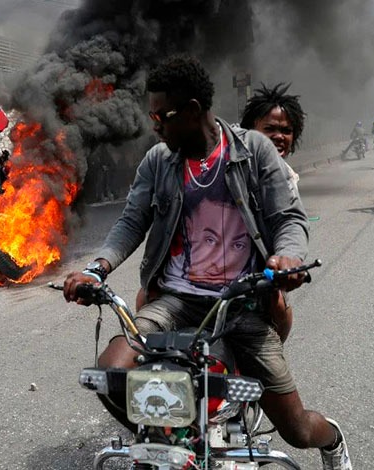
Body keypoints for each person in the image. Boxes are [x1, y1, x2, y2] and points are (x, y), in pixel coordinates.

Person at [63, 55, 352, 469]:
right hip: (176, 301)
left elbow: (288, 217)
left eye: (162, 116)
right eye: (152, 115)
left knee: (297, 430)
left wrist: (288, 255)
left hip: (241, 304)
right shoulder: (158, 161)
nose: (155, 125)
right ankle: (180, 441)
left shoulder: (253, 150)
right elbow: (131, 222)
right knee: (113, 372)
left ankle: (333, 440)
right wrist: (97, 269)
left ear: (193, 110)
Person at [239, 82, 307, 341]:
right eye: (269, 129)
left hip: (260, 271)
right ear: (250, 131)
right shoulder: (232, 164)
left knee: (279, 309)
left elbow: (289, 222)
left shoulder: (288, 176)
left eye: (286, 130)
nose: (279, 136)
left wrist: (287, 257)